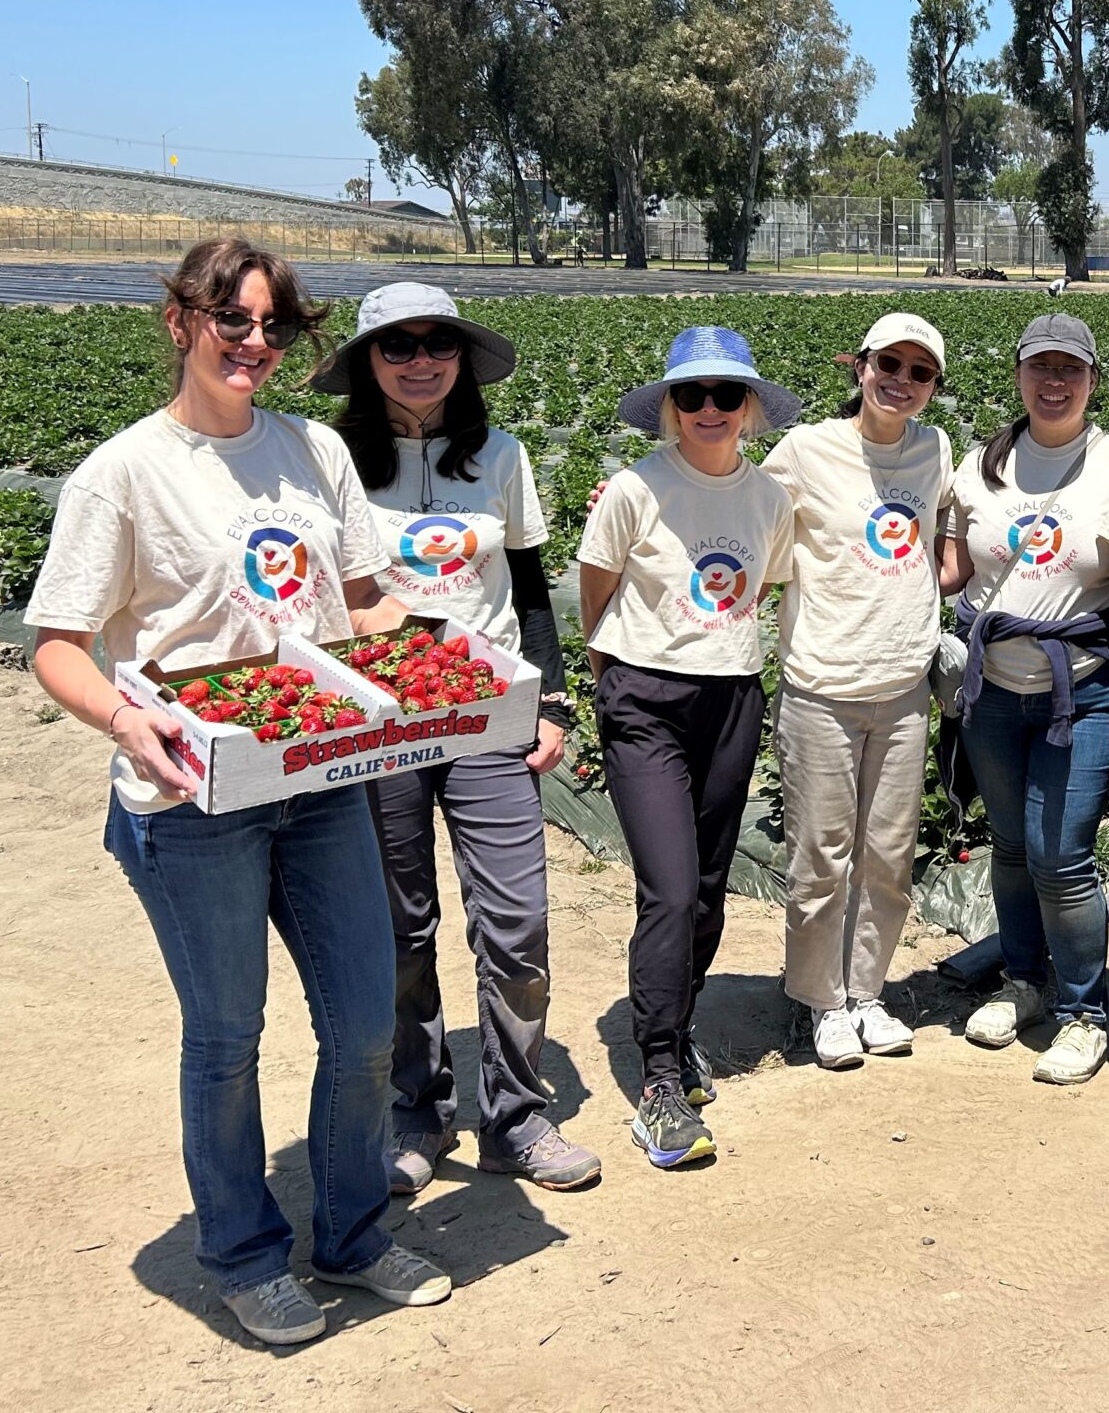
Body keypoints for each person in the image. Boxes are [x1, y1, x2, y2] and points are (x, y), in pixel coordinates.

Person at [25, 238, 452, 1347]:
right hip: (188, 795)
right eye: (233, 321)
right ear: (180, 322)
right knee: (228, 1035)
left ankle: (353, 1236)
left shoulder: (312, 451)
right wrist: (127, 715)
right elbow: (59, 645)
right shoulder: (124, 473)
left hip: (312, 775)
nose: (255, 343)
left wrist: (460, 653)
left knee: (363, 1024)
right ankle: (244, 1254)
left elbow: (359, 606)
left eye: (273, 325)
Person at [314, 283, 596, 1193]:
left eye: (438, 344)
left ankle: (515, 1114)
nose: (421, 360)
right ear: (368, 363)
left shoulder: (502, 457)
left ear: (462, 360)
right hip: (377, 723)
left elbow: (530, 586)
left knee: (515, 921)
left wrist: (550, 705)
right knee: (400, 926)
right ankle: (418, 1110)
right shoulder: (334, 466)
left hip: (486, 715)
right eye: (398, 346)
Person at [579, 326, 800, 1169]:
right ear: (669, 408)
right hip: (644, 697)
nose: (709, 410)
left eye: (725, 395)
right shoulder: (635, 490)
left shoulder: (769, 500)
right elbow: (595, 592)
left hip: (733, 694)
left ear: (749, 409)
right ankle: (660, 1076)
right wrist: (615, 681)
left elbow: (762, 589)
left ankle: (682, 1019)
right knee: (669, 888)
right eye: (691, 395)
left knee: (708, 884)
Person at [939, 313, 1109, 1085]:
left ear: (1093, 380)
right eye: (1040, 367)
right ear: (1019, 375)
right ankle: (1024, 980)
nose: (1054, 382)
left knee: (1062, 853)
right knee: (1013, 847)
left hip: (1079, 688)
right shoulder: (980, 465)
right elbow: (953, 569)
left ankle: (1084, 1012)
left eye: (1071, 369)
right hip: (992, 689)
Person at [760, 313, 954, 1071]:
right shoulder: (807, 449)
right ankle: (821, 1000)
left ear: (932, 387)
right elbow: (743, 511)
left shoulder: (934, 450)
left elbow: (945, 536)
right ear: (861, 366)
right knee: (821, 854)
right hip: (822, 684)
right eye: (888, 364)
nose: (900, 382)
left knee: (889, 853)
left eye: (919, 372)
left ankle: (868, 992)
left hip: (904, 685)